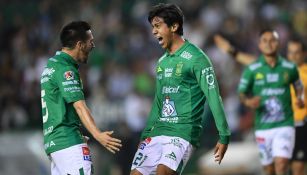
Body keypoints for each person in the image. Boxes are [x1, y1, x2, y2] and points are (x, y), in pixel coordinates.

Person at [130, 3, 231, 175]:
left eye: (157, 26)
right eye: (152, 27)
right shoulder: (161, 62)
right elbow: (159, 101)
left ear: (174, 26)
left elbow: (213, 96)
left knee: (163, 172)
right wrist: (145, 135)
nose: (153, 32)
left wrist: (224, 135)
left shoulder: (197, 58)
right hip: (157, 132)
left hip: (182, 132)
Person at [215, 34, 307, 175]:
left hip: (300, 126)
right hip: (277, 125)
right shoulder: (281, 68)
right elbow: (251, 61)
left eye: (297, 52)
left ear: (304, 53)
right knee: (275, 168)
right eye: (290, 52)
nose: (293, 56)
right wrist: (230, 50)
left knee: (297, 169)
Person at [40, 21, 122, 175]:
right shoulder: (65, 70)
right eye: (91, 42)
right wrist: (97, 134)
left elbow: (58, 106)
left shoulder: (51, 67)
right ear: (80, 44)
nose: (93, 46)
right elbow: (79, 106)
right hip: (68, 142)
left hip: (55, 144)